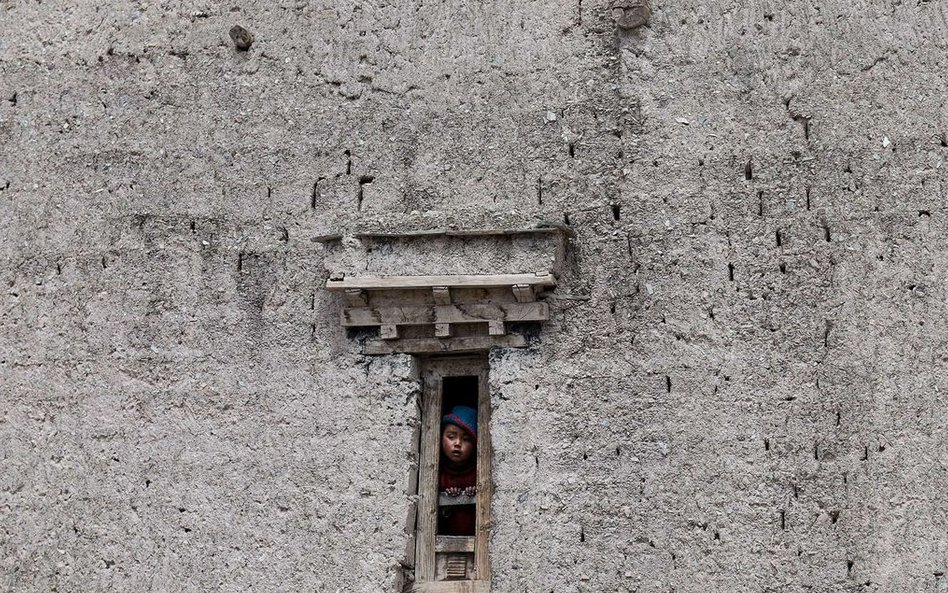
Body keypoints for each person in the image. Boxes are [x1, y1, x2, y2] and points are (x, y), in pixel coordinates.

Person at [438, 405, 477, 535]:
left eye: (466, 439)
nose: (458, 443)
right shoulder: (437, 474)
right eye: (451, 436)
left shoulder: (478, 474)